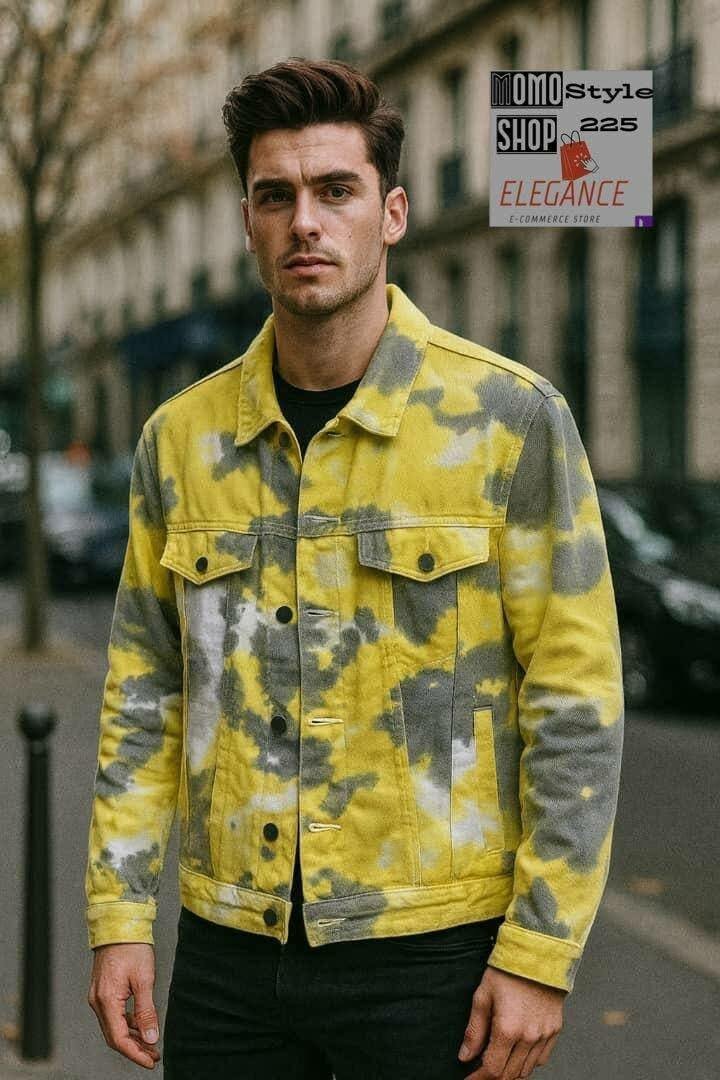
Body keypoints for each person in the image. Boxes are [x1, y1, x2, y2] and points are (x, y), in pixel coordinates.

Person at [86, 57, 624, 1080]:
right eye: (275, 196)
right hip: (230, 951)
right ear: (247, 222)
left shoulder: (509, 420)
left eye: (336, 190)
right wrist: (119, 916)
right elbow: (144, 690)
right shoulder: (179, 440)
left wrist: (541, 952)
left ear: (393, 214)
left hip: (433, 955)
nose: (306, 222)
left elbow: (575, 697)